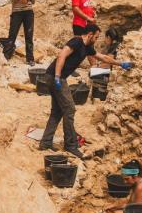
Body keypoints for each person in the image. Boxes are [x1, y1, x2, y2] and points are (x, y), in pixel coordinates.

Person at [39, 24, 131, 158]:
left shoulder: (87, 47)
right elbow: (61, 56)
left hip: (56, 77)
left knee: (58, 110)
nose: (97, 39)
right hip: (54, 76)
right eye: (96, 36)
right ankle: (71, 145)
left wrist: (120, 63)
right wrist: (58, 76)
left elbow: (103, 58)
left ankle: (46, 142)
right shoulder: (76, 41)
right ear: (89, 34)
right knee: (70, 109)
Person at [1, 0, 36, 65]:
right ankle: (7, 55)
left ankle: (30, 59)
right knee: (12, 34)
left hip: (28, 12)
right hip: (17, 12)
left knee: (29, 36)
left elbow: (32, 1)